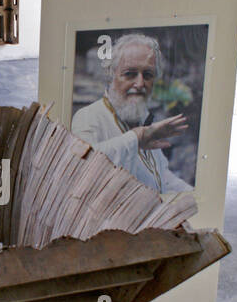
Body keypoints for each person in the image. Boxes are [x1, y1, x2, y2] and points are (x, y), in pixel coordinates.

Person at [70, 32, 192, 193]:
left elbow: (162, 177)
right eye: (130, 74)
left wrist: (196, 197)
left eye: (147, 75)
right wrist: (137, 138)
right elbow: (83, 166)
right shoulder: (88, 117)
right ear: (111, 75)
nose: (140, 83)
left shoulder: (141, 118)